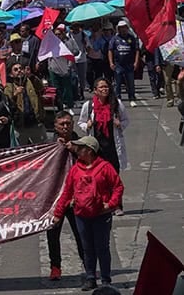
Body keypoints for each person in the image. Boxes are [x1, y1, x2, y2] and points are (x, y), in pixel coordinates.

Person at [53, 135, 124, 291]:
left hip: (101, 215)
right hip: (81, 215)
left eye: (81, 147)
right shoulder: (74, 170)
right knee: (87, 248)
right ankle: (90, 278)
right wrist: (58, 213)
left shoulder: (105, 167)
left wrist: (111, 204)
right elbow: (66, 192)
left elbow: (118, 186)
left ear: (90, 150)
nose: (77, 150)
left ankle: (106, 280)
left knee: (102, 248)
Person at [46, 110, 84, 282]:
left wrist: (74, 148)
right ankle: (55, 267)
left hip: (77, 198)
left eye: (68, 123)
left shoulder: (81, 143)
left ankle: (88, 266)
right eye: (61, 124)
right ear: (55, 126)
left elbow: (92, 161)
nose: (65, 127)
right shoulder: (48, 144)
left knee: (82, 234)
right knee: (53, 235)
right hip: (56, 198)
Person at [78, 78, 129, 174]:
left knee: (113, 174)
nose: (104, 89)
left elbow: (126, 120)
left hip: (112, 147)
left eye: (106, 87)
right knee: (97, 174)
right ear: (95, 90)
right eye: (101, 87)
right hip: (97, 148)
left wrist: (119, 124)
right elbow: (81, 122)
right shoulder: (88, 106)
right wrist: (87, 125)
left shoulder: (116, 104)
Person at [4, 60, 47, 145]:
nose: (19, 70)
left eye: (21, 68)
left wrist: (31, 76)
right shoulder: (9, 86)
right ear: (11, 74)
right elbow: (6, 102)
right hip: (20, 124)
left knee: (40, 145)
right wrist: (15, 94)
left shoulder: (30, 80)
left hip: (35, 121)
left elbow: (41, 88)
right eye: (15, 70)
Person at [107, 20, 138, 104]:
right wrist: (111, 62)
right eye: (121, 28)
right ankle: (118, 98)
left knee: (130, 82)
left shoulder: (131, 38)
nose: (123, 29)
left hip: (129, 64)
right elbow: (110, 50)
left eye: (124, 27)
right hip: (118, 65)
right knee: (117, 83)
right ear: (118, 29)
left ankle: (132, 98)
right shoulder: (114, 39)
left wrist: (136, 62)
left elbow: (136, 50)